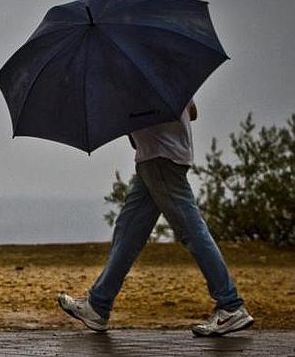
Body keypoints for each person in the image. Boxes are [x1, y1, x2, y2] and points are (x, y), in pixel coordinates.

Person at [58, 99, 254, 337]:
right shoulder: (165, 70)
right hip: (156, 159)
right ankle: (98, 305)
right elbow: (191, 111)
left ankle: (231, 305)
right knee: (128, 231)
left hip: (161, 160)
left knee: (192, 232)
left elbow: (135, 133)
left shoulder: (133, 83)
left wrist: (131, 118)